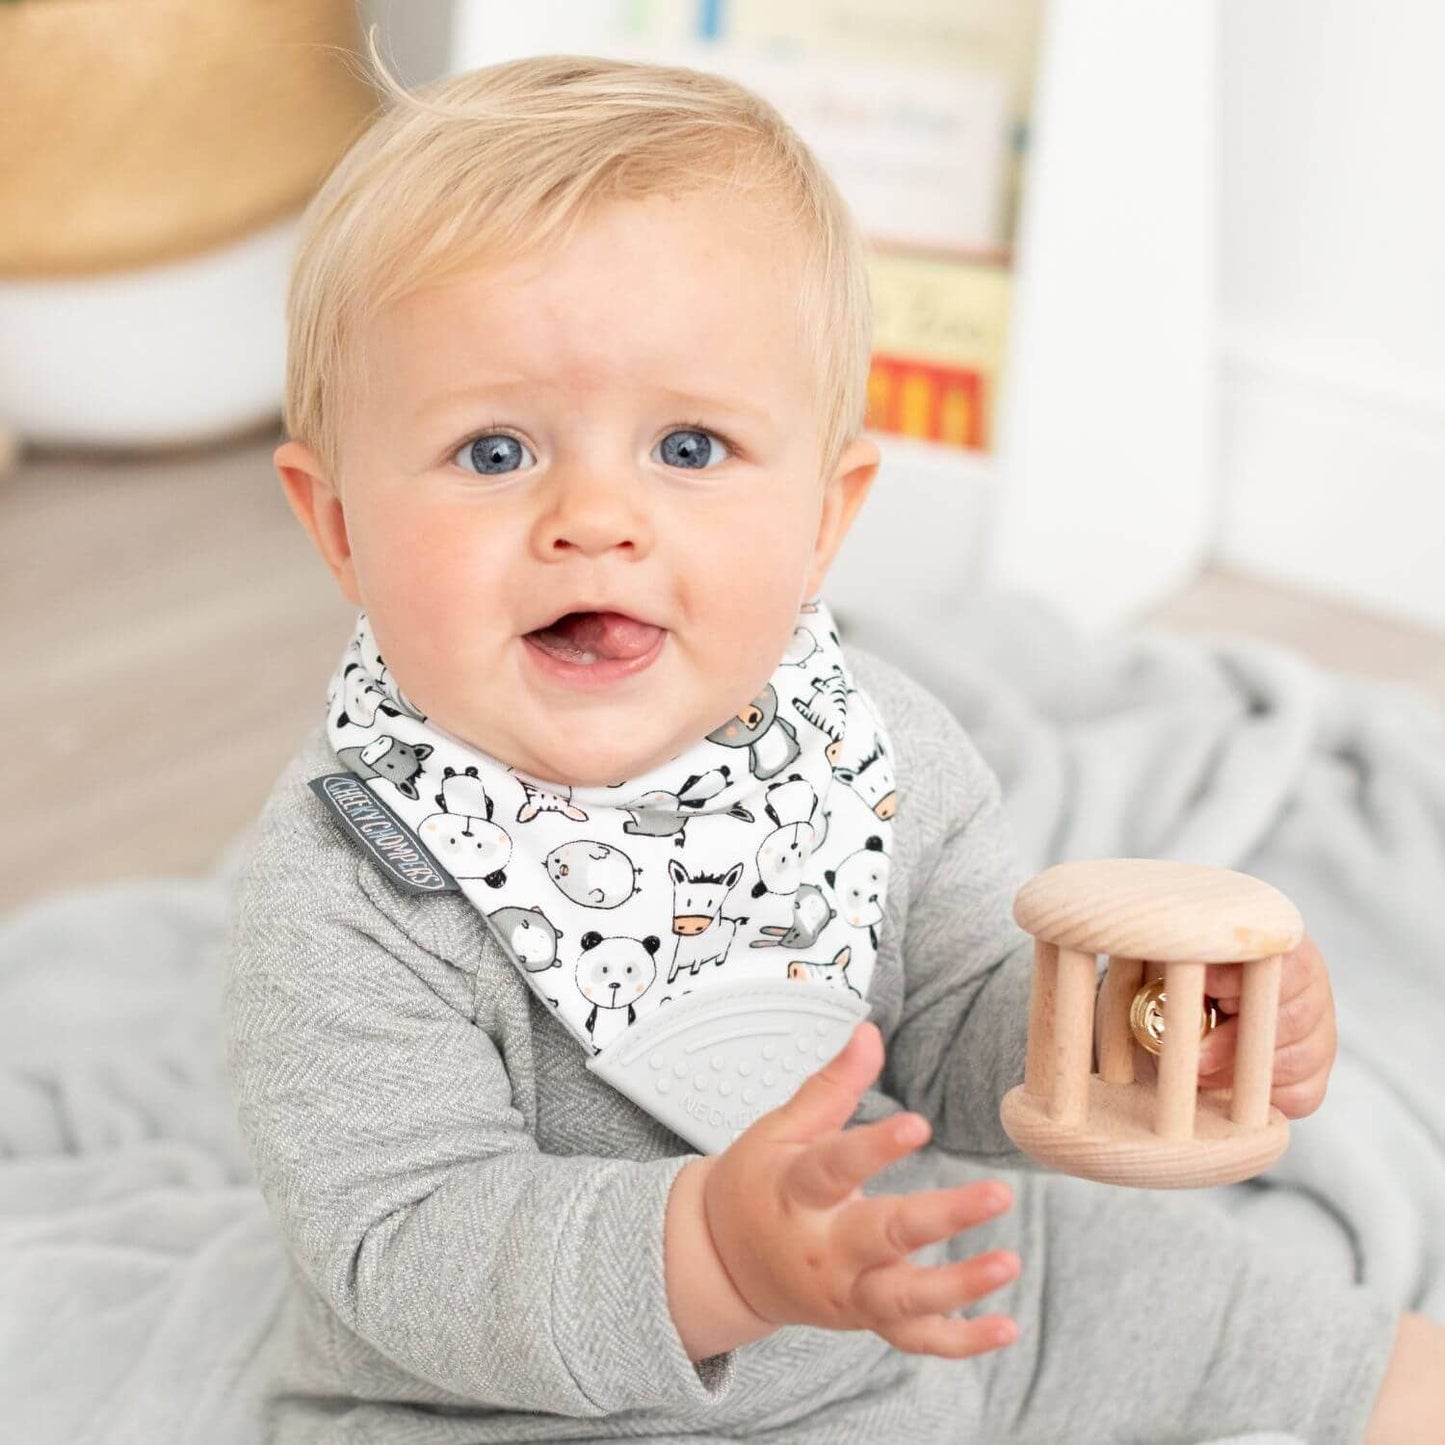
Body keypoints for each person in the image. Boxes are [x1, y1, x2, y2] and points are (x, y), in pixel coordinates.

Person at [223, 48, 1442, 1443]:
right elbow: (405, 1246)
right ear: (337, 528)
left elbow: (955, 1010)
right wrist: (717, 1256)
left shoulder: (868, 751)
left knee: (1290, 1331)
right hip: (567, 1399)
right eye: (496, 453)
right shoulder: (352, 880)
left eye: (687, 449)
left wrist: (1145, 1035)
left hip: (930, 1279)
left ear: (823, 513)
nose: (595, 518)